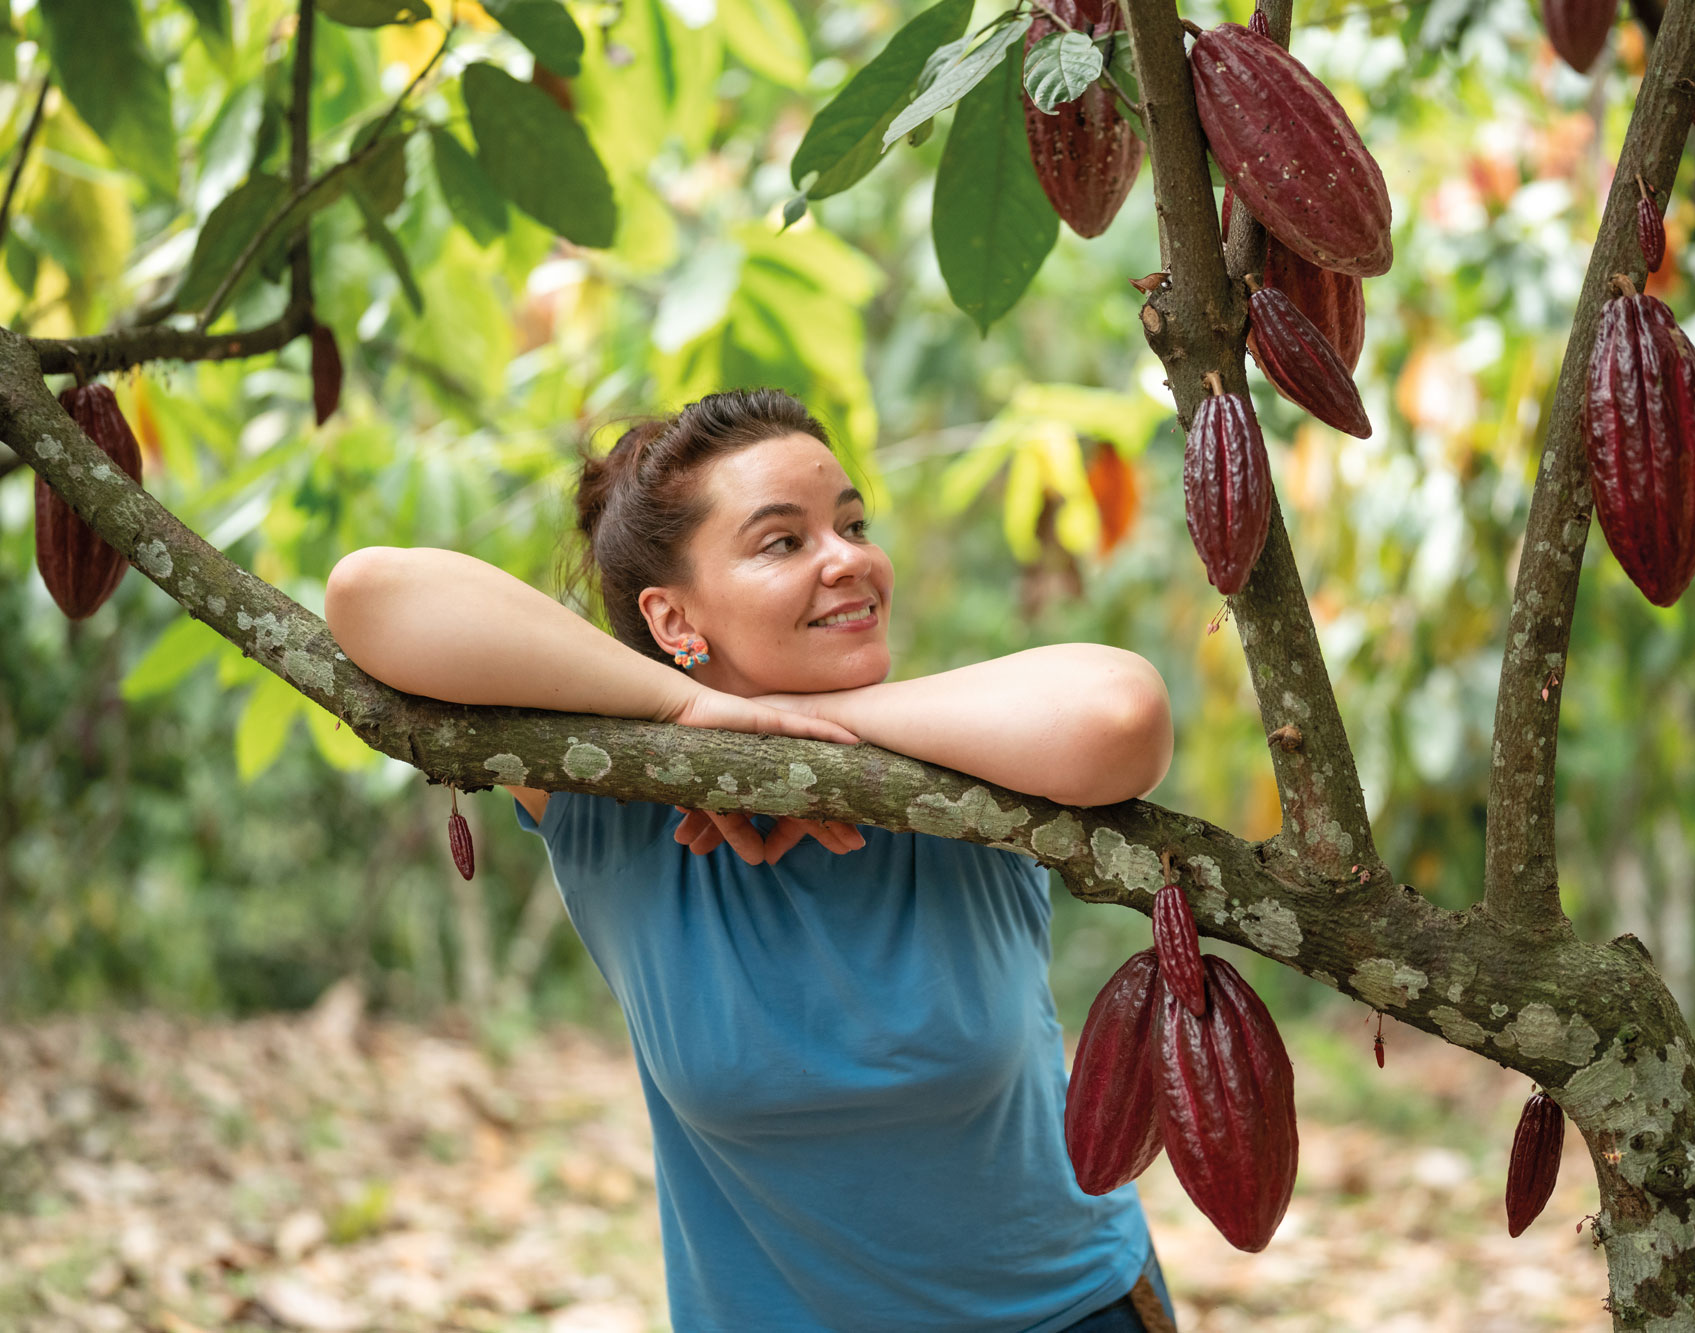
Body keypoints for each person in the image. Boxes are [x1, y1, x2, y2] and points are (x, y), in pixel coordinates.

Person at [323, 388, 1181, 1332]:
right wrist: (687, 718)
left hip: (1069, 1313)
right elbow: (371, 595)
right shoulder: (613, 802)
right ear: (674, 618)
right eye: (785, 541)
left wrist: (807, 741)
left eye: (853, 523)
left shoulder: (967, 764)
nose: (850, 558)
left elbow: (1122, 716)